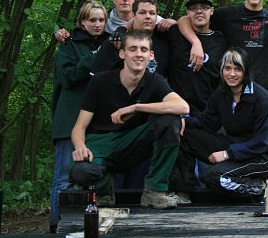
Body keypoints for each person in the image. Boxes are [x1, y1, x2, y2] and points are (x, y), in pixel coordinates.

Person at [71, 30, 189, 209]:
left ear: (151, 55)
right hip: (101, 144)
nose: (138, 54)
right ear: (122, 53)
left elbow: (183, 107)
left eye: (143, 49)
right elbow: (79, 126)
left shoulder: (154, 81)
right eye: (133, 49)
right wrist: (80, 146)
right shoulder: (101, 81)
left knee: (170, 121)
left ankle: (154, 192)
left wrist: (136, 107)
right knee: (82, 172)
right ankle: (103, 191)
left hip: (133, 143)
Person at [170, 48, 268, 198]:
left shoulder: (262, 99)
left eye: (238, 69)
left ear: (246, 71)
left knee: (213, 176)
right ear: (222, 71)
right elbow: (207, 123)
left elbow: (262, 142)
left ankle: (259, 188)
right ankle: (184, 193)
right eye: (227, 68)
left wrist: (227, 154)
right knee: (186, 135)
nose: (232, 74)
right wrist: (183, 122)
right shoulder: (222, 94)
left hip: (263, 156)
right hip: (235, 145)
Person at [50, 1, 108, 232]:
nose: (97, 24)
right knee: (64, 177)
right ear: (82, 21)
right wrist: (94, 57)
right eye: (92, 20)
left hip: (97, 123)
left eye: (101, 20)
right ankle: (56, 226)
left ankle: (84, 226)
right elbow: (68, 78)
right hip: (69, 121)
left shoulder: (110, 43)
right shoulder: (69, 45)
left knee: (91, 176)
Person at [53, 0, 175, 42]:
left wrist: (172, 22)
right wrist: (65, 34)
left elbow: (176, 28)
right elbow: (83, 35)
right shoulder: (104, 23)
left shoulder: (151, 19)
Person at [168, 0, 227, 116]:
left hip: (206, 113)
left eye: (204, 8)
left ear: (211, 11)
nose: (199, 11)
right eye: (193, 8)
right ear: (187, 13)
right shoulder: (175, 33)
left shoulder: (221, 40)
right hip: (175, 111)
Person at [92, 0, 170, 77]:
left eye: (152, 13)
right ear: (133, 15)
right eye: (142, 12)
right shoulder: (116, 40)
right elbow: (96, 79)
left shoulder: (165, 39)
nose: (148, 16)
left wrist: (171, 22)